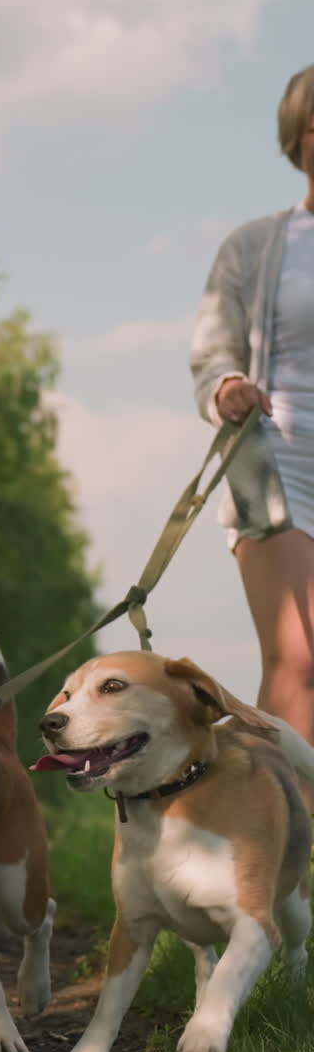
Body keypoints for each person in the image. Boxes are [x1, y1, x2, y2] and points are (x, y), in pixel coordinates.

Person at [191, 64, 314, 767]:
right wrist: (228, 387)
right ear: (298, 138)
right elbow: (212, 354)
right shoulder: (256, 246)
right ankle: (287, 854)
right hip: (279, 463)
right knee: (300, 660)